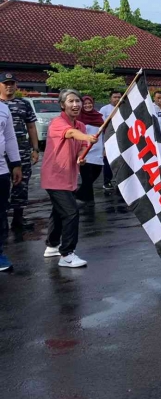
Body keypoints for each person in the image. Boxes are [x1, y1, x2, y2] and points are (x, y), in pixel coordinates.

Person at [41, 89, 99, 268]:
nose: (76, 105)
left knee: (59, 212)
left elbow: (81, 146)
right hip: (54, 175)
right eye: (71, 101)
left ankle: (52, 246)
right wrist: (88, 137)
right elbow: (71, 134)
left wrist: (81, 156)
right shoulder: (57, 123)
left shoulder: (80, 124)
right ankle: (66, 254)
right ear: (62, 105)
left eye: (78, 101)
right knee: (71, 212)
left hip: (70, 176)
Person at [0, 73, 40, 231]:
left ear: (16, 85)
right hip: (2, 152)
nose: (9, 86)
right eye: (5, 83)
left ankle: (18, 218)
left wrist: (35, 149)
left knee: (21, 184)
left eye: (12, 83)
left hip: (21, 150)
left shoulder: (23, 103)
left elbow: (31, 126)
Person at [0, 100, 22, 272]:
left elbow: (9, 138)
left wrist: (16, 163)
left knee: (0, 214)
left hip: (1, 171)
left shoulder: (3, 108)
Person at [75, 96, 105, 204]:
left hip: (98, 151)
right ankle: (89, 202)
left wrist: (104, 148)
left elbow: (103, 134)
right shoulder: (78, 118)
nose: (87, 105)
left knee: (95, 174)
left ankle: (77, 194)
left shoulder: (98, 117)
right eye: (85, 104)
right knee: (87, 179)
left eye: (89, 103)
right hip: (85, 152)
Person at [100, 90, 122, 190]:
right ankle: (107, 181)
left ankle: (120, 180)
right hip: (109, 139)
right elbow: (101, 126)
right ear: (110, 98)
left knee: (121, 161)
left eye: (119, 97)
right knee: (108, 162)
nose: (117, 99)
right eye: (115, 97)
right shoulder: (104, 109)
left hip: (122, 139)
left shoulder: (125, 108)